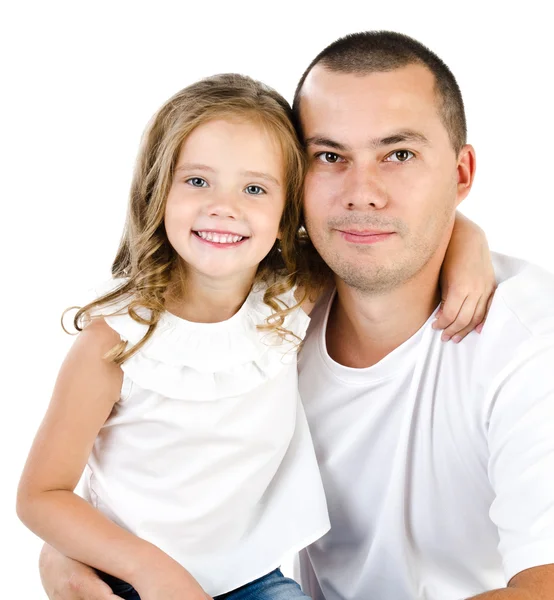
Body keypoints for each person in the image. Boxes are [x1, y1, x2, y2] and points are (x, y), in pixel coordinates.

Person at [16, 72, 492, 600]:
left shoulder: (289, 295)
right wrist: (152, 572)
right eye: (197, 181)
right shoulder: (116, 341)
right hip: (126, 581)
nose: (225, 207)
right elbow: (41, 494)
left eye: (254, 188)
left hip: (253, 583)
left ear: (288, 208)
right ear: (158, 189)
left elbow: (384, 245)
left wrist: (469, 243)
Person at [291, 31, 554, 599]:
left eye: (399, 155)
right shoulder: (268, 319)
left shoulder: (533, 343)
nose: (363, 193)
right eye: (330, 157)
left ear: (461, 175)